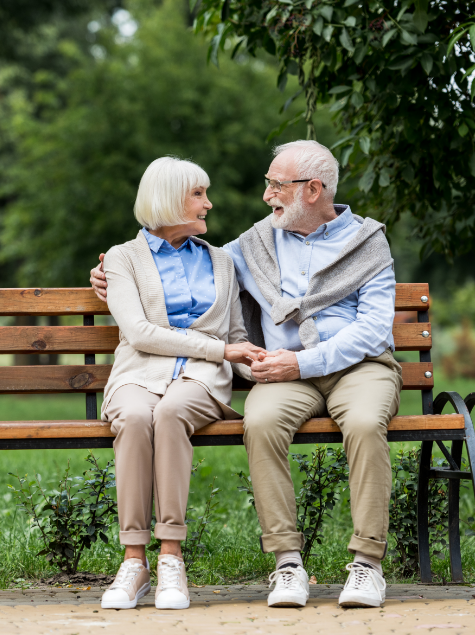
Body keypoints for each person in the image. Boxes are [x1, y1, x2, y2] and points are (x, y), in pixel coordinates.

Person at [91, 140, 402, 610]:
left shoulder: (367, 242)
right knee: (259, 422)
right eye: (268, 184)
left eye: (276, 185)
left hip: (357, 368)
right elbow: (168, 255)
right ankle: (287, 563)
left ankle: (367, 565)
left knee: (361, 423)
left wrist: (300, 361)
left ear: (313, 189)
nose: (267, 195)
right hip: (283, 374)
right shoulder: (252, 244)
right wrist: (106, 279)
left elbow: (376, 329)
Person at [97, 156, 266, 611]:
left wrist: (260, 364)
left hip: (200, 379)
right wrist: (220, 350)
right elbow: (138, 333)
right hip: (137, 373)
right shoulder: (121, 258)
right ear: (169, 199)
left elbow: (234, 337)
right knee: (134, 417)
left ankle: (171, 555)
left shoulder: (222, 261)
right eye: (198, 194)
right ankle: (134, 561)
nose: (208, 204)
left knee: (170, 413)